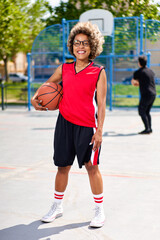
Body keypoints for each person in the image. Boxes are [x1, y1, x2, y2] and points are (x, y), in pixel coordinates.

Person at [31, 21, 107, 228]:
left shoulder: (98, 72)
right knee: (62, 166)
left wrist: (99, 131)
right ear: (71, 46)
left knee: (92, 167)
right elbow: (47, 86)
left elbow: (101, 106)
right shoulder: (64, 68)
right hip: (64, 123)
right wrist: (35, 98)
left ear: (92, 46)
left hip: (87, 127)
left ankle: (99, 210)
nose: (80, 46)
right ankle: (57, 206)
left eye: (84, 43)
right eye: (76, 43)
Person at [131, 55, 156, 134]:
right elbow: (148, 82)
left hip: (146, 94)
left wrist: (135, 83)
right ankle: (149, 128)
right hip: (153, 94)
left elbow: (134, 82)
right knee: (147, 112)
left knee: (141, 111)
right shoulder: (151, 71)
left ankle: (147, 129)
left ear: (139, 63)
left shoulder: (138, 72)